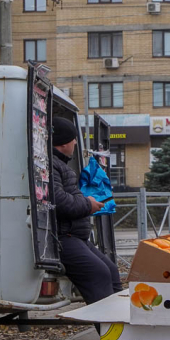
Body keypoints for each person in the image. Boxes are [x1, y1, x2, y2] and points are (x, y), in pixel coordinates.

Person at [51, 116, 123, 303]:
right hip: (63, 237)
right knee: (98, 273)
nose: (76, 142)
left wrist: (85, 201)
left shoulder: (61, 165)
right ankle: (109, 328)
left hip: (75, 236)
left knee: (112, 270)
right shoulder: (52, 165)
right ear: (63, 142)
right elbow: (58, 200)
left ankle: (120, 326)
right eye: (74, 138)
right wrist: (87, 204)